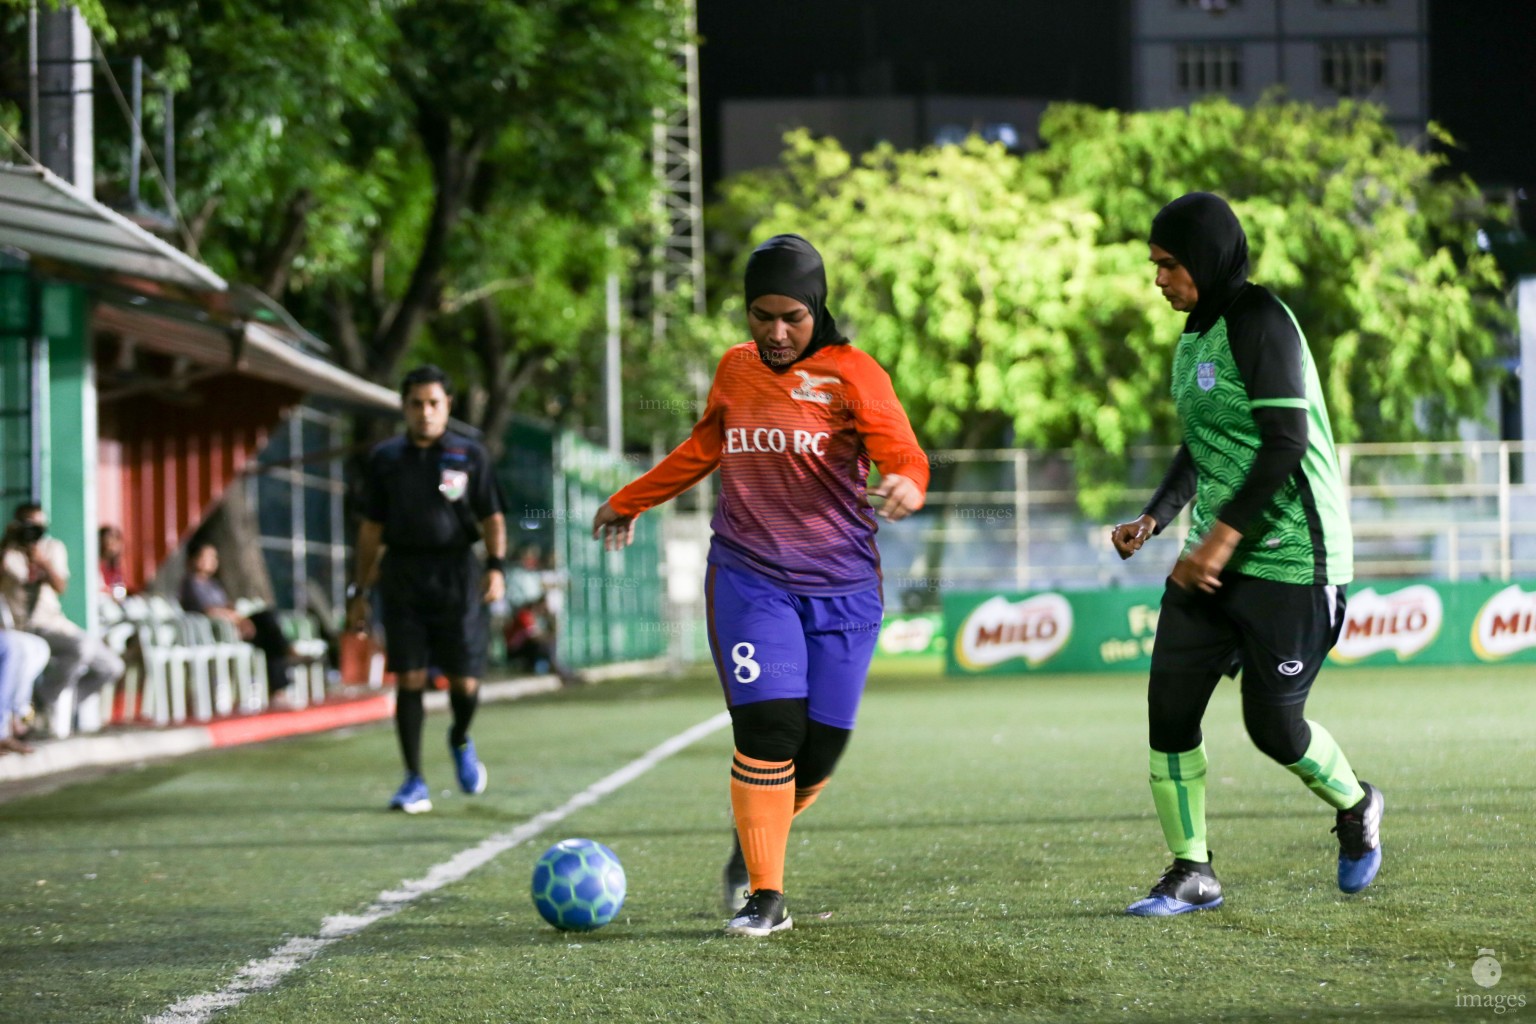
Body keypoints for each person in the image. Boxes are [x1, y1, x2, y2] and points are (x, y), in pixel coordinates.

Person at [592, 234, 928, 937]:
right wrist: (631, 499)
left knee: (819, 754)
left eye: (791, 318)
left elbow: (902, 450)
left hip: (843, 589)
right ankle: (766, 896)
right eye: (761, 315)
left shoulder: (854, 375)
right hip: (750, 578)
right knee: (770, 730)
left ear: (817, 309)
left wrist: (906, 482)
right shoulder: (735, 371)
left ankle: (753, 836)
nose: (775, 332)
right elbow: (703, 448)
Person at [1110, 192, 1383, 917]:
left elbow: (1284, 443)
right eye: (1155, 266)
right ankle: (1191, 869)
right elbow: (1205, 444)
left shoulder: (1261, 321)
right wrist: (1157, 517)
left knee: (1273, 727)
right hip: (1213, 559)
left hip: (1295, 558)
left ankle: (1357, 804)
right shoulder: (1195, 337)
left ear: (1205, 258)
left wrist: (1220, 542)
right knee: (1169, 711)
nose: (1160, 279)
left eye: (1169, 265)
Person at [347, 365, 508, 814]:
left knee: (465, 682)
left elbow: (492, 516)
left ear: (447, 406)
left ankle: (459, 737)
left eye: (433, 403)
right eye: (415, 404)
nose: (424, 412)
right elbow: (370, 529)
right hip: (402, 576)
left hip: (457, 574)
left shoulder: (469, 455)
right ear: (404, 407)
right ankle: (413, 779)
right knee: (411, 677)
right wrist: (358, 591)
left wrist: (495, 567)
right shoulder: (385, 459)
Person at [0, 503, 124, 737]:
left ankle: (48, 704)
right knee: (79, 648)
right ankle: (42, 710)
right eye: (28, 525)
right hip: (26, 626)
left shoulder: (52, 548)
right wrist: (7, 542)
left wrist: (41, 561)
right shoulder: (8, 551)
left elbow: (60, 586)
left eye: (38, 526)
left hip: (55, 622)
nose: (33, 531)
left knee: (112, 666)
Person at [179, 539, 293, 704]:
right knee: (269, 637)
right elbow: (208, 610)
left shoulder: (213, 584)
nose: (212, 561)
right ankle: (286, 652)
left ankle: (280, 678)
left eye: (214, 557)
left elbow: (228, 606)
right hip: (215, 633)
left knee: (267, 622)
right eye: (207, 556)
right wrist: (238, 620)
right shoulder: (191, 584)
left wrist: (240, 618)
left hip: (233, 627)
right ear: (194, 558)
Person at [503, 544, 578, 685]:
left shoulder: (535, 615)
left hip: (526, 647)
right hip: (516, 651)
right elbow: (534, 636)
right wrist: (548, 638)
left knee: (548, 642)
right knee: (546, 643)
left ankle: (560, 669)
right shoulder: (524, 614)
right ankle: (558, 669)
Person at [99, 525, 128, 603]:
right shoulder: (94, 566)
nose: (112, 545)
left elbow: (120, 593)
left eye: (116, 540)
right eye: (108, 540)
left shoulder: (115, 569)